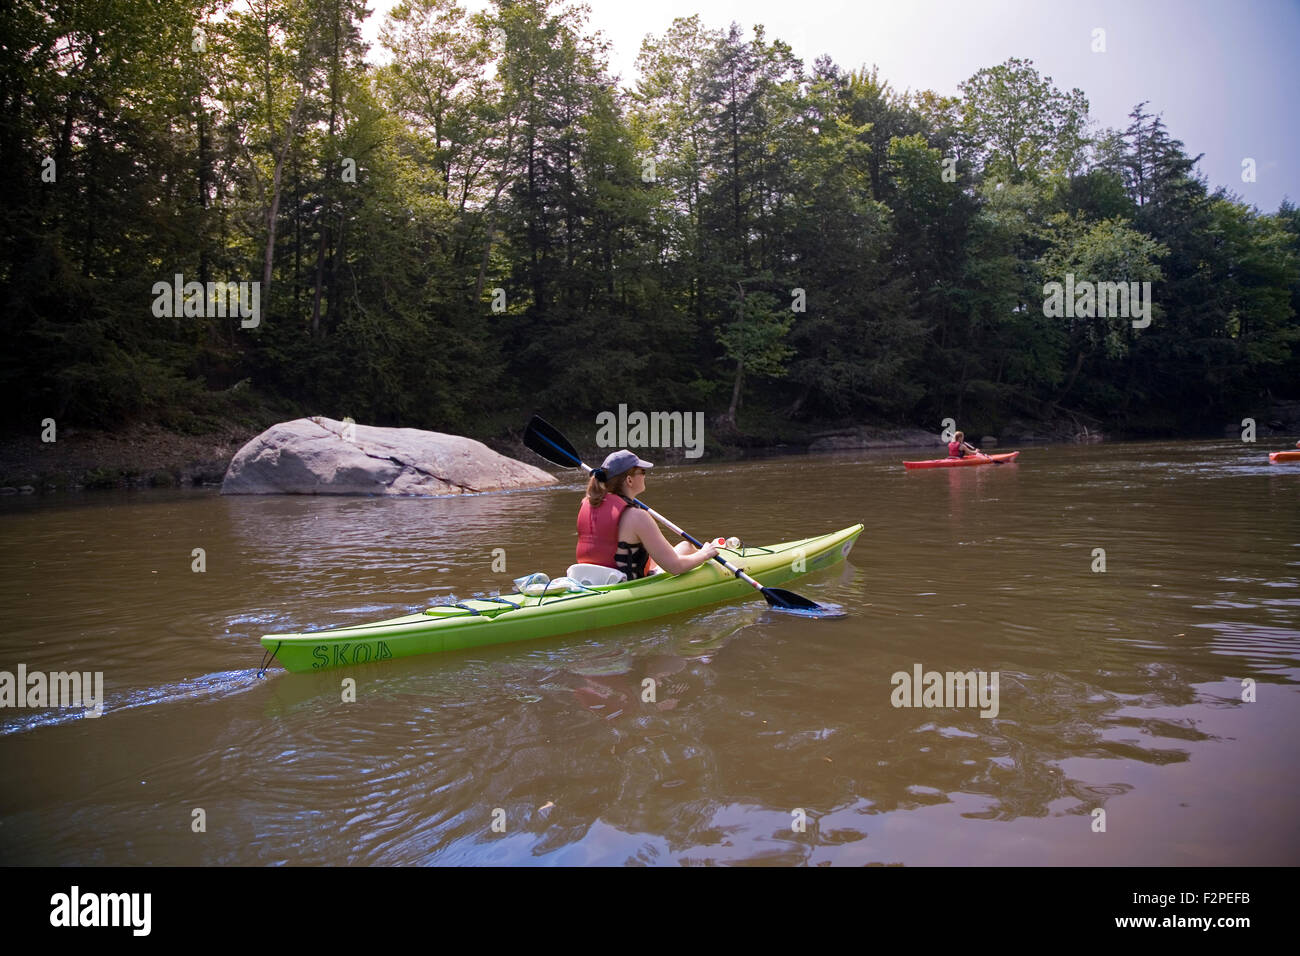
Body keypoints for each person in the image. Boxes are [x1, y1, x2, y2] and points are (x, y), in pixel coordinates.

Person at [576, 449, 718, 580]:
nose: (645, 475)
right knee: (688, 552)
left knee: (685, 547)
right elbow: (676, 567)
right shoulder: (637, 516)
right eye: (642, 472)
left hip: (593, 579)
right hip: (626, 583)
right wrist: (705, 553)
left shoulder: (587, 504)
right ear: (629, 480)